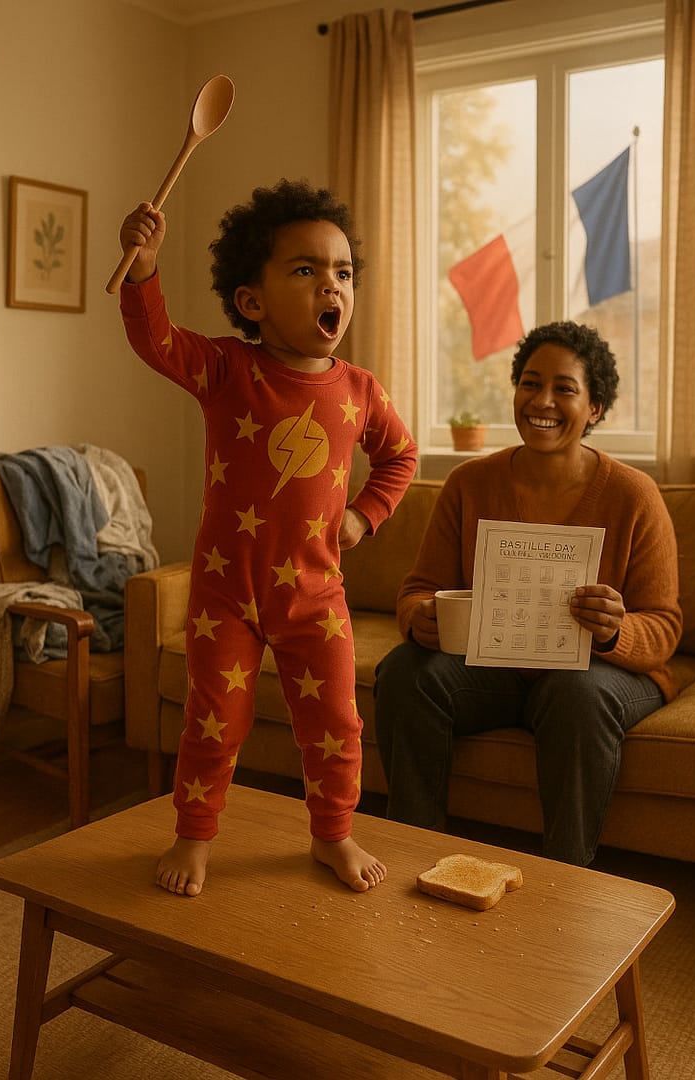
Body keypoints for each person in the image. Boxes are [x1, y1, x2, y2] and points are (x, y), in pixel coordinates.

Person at [118, 179, 417, 895]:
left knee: (337, 724)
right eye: (306, 270)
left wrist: (363, 515)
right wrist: (143, 270)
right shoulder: (228, 369)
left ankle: (333, 833)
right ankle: (194, 835)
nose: (332, 285)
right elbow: (157, 341)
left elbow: (401, 456)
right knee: (214, 721)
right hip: (226, 595)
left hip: (316, 596)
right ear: (252, 301)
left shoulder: (361, 390)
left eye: (343, 272)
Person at [374, 321, 682, 867]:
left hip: (594, 674)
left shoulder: (634, 495)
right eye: (530, 383)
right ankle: (415, 852)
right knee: (404, 671)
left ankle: (567, 876)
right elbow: (421, 588)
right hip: (494, 670)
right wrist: (418, 616)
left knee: (575, 692)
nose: (542, 401)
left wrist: (615, 630)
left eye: (565, 388)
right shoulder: (469, 483)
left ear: (595, 407)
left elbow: (664, 625)